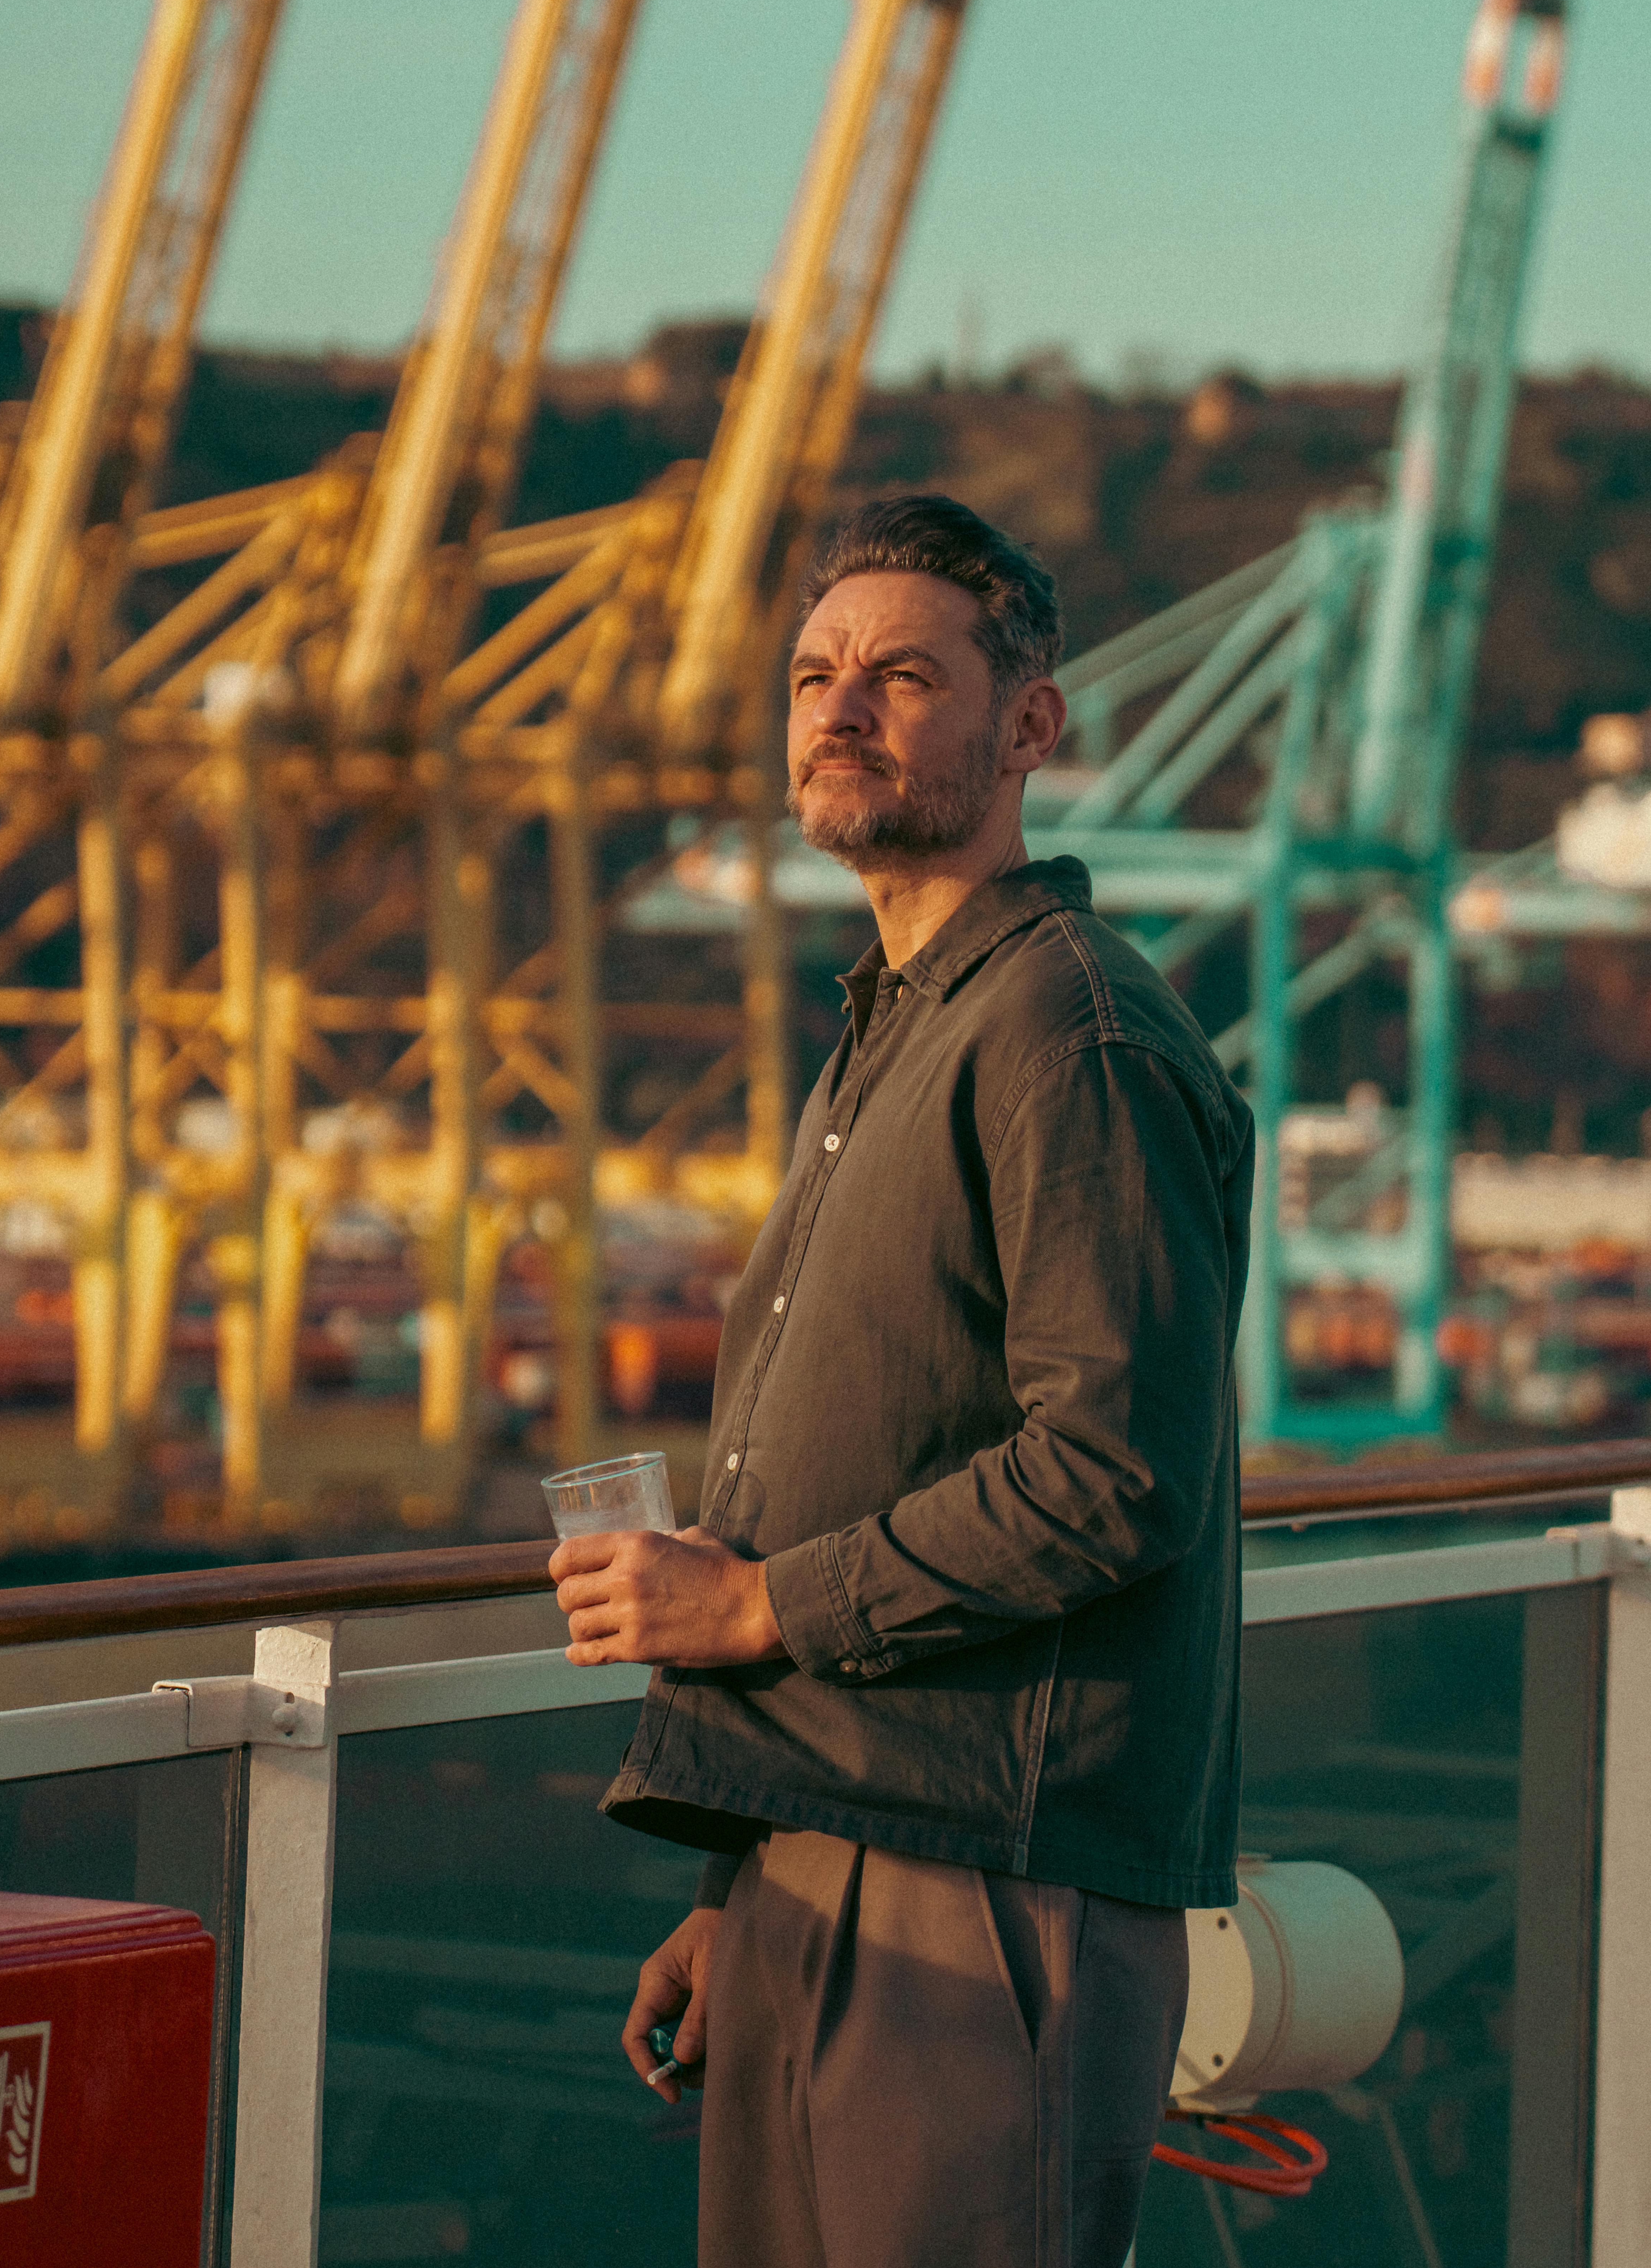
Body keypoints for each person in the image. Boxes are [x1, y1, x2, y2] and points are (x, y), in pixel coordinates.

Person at [548, 495, 1253, 2268]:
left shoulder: (1066, 1030)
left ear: (1033, 726)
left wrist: (765, 1602)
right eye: (814, 675)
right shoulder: (892, 1027)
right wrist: (742, 1888)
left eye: (903, 675)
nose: (840, 708)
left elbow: (1115, 1468)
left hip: (991, 1886)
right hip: (831, 1848)